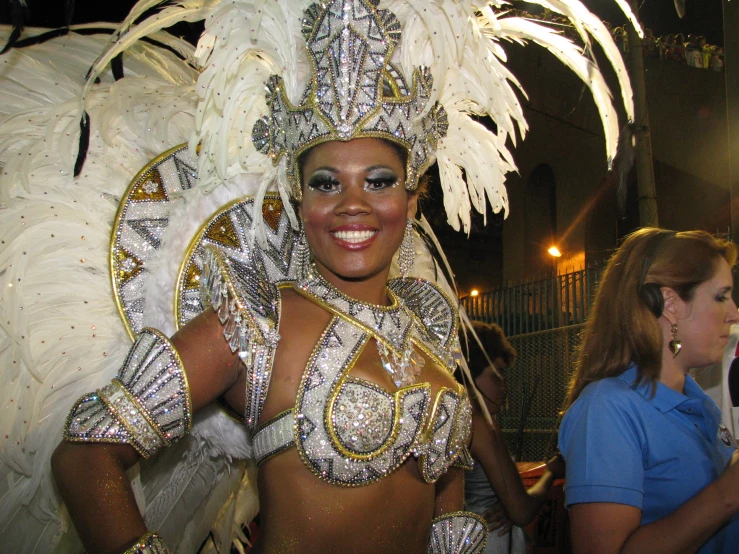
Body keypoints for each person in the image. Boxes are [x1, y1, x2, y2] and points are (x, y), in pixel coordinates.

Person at [0, 0, 641, 553]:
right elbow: (87, 455)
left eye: (380, 182)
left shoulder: (433, 323)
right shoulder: (258, 318)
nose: (353, 205)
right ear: (300, 201)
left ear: (413, 203)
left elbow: (442, 479)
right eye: (326, 183)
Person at [559, 228, 739, 553]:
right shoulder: (607, 409)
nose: (734, 313)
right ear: (670, 303)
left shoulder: (700, 404)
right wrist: (728, 493)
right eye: (721, 296)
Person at [461, 321, 565, 554]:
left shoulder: (442, 419)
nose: (504, 387)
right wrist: (550, 473)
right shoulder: (480, 424)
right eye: (497, 376)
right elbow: (522, 511)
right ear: (470, 376)